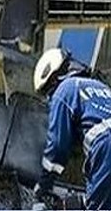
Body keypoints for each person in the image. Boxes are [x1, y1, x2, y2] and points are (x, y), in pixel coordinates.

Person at [33, 48, 111, 210]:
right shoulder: (101, 87)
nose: (49, 98)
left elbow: (57, 148)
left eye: (47, 93)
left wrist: (43, 187)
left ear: (53, 79)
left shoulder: (64, 89)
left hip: (106, 146)